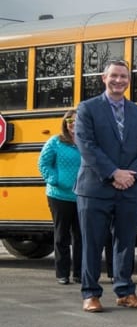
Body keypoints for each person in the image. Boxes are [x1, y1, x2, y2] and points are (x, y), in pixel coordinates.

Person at [74, 60, 137, 312]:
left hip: (130, 187)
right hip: (95, 187)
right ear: (103, 78)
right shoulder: (87, 108)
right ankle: (91, 294)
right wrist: (113, 173)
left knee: (126, 242)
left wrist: (130, 175)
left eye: (124, 77)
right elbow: (86, 144)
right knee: (92, 242)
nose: (119, 81)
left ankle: (125, 291)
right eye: (114, 76)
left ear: (129, 80)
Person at [38, 109, 82, 285]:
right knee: (62, 234)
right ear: (65, 123)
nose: (73, 124)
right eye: (69, 121)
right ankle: (62, 273)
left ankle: (79, 273)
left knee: (80, 236)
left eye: (77, 121)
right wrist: (53, 179)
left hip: (82, 195)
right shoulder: (55, 142)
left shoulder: (87, 142)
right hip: (59, 195)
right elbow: (43, 163)